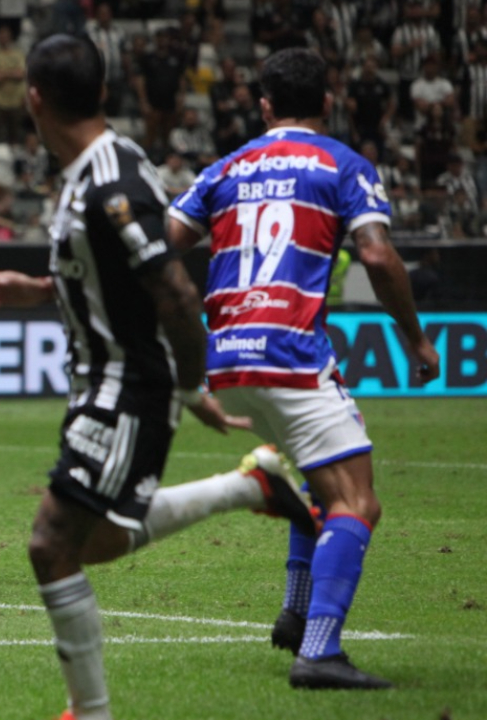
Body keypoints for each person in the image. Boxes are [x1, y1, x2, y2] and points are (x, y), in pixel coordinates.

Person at [0, 35, 317, 720]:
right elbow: (115, 277)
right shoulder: (90, 171)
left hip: (127, 389)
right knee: (92, 540)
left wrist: (190, 392)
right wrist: (39, 289)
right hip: (104, 384)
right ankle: (247, 487)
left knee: (50, 544)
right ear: (101, 92)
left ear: (34, 99)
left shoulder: (112, 181)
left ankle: (91, 712)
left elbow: (176, 294)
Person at [167, 47, 443, 690]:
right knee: (357, 501)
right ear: (330, 100)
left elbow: (160, 245)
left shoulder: (225, 167)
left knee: (316, 471)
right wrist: (416, 340)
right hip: (289, 349)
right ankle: (319, 651)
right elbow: (376, 257)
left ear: (263, 105)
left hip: (225, 351)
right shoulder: (343, 164)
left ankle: (296, 609)